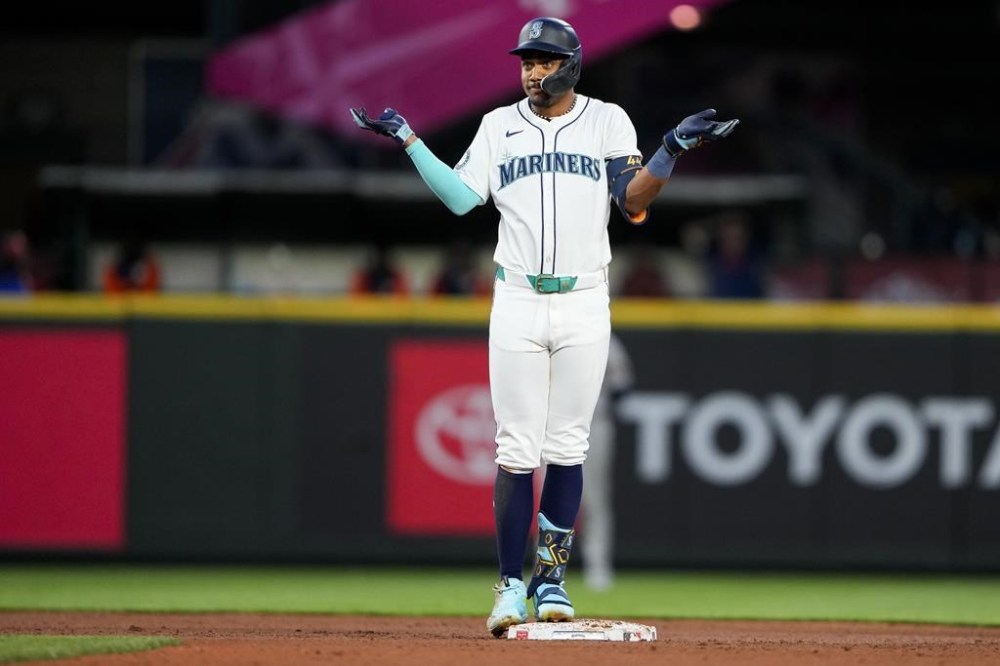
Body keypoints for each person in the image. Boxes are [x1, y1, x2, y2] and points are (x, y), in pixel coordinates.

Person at [350, 16, 737, 637]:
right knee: (515, 448)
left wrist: (670, 149)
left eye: (544, 61)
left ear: (572, 64)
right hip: (519, 300)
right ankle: (509, 588)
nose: (532, 71)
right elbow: (459, 197)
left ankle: (550, 580)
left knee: (568, 447)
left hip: (584, 298)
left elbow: (633, 200)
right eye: (526, 61)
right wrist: (411, 141)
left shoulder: (608, 119)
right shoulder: (498, 124)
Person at [580, 332, 634, 591]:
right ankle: (545, 567)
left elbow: (622, 387)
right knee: (547, 499)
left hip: (594, 423)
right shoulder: (548, 332)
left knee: (595, 499)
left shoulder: (606, 340)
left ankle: (597, 566)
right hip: (551, 426)